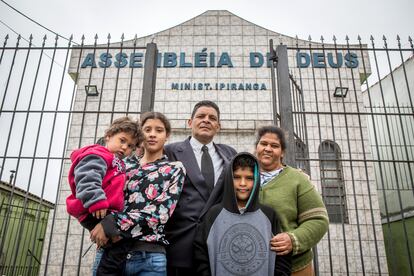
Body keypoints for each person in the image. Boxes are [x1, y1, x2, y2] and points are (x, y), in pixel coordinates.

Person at [90, 111, 186, 275]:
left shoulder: (174, 169)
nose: (152, 134)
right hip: (109, 252)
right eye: (147, 129)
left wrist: (112, 222)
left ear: (167, 135)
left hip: (148, 256)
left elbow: (159, 214)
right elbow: (100, 197)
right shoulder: (121, 165)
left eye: (159, 130)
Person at [164, 100, 237, 275]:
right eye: (201, 116)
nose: (206, 120)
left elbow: (248, 181)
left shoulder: (230, 153)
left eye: (212, 118)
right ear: (190, 122)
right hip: (180, 242)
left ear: (218, 126)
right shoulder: (170, 151)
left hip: (219, 241)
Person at [193, 152, 292, 276]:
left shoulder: (269, 215)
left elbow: (282, 257)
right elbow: (200, 256)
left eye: (249, 178)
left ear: (256, 179)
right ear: (229, 179)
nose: (243, 183)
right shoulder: (213, 215)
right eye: (237, 177)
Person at [255, 125, 329, 276]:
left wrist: (293, 239)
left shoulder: (298, 179)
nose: (268, 149)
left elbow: (319, 220)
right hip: (252, 266)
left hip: (293, 267)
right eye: (263, 144)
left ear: (282, 152)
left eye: (274, 146)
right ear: (256, 147)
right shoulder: (244, 176)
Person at [66, 116, 142, 231]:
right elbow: (87, 178)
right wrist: (97, 201)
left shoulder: (116, 160)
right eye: (122, 140)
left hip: (104, 210)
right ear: (108, 136)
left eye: (130, 146)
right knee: (117, 240)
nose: (125, 147)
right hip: (96, 208)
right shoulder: (98, 155)